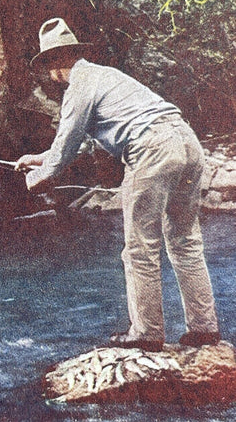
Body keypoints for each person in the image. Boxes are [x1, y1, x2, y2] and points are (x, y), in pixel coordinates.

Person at [15, 17, 220, 352]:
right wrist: (36, 158)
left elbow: (65, 147)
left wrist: (37, 179)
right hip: (187, 143)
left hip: (151, 148)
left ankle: (147, 333)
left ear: (53, 63)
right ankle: (204, 330)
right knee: (185, 241)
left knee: (140, 247)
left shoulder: (78, 85)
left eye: (48, 65)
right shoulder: (106, 76)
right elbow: (78, 144)